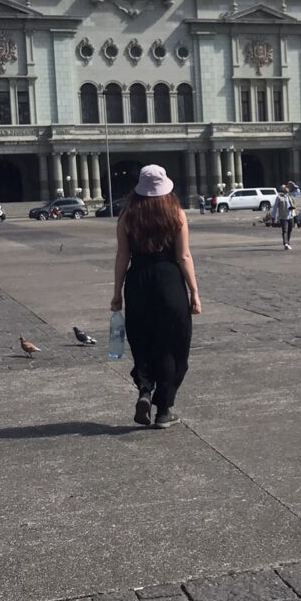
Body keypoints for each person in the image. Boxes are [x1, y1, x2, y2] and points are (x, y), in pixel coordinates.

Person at [112, 164, 201, 429]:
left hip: (138, 281)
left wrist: (117, 292)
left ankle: (144, 390)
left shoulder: (127, 215)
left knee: (142, 340)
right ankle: (164, 409)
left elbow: (122, 256)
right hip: (169, 282)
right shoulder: (176, 213)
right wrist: (194, 292)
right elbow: (183, 256)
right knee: (173, 345)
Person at [271, 184, 295, 250]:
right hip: (283, 217)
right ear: (283, 190)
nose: (287, 189)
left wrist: (294, 184)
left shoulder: (289, 196)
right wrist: (273, 217)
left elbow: (297, 191)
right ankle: (285, 243)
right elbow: (275, 207)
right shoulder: (279, 197)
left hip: (290, 216)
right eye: (285, 188)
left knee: (290, 230)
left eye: (287, 188)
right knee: (285, 230)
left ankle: (288, 242)